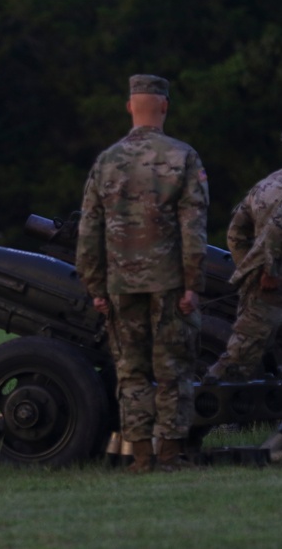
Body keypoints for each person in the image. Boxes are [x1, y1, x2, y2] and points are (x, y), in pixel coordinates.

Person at [76, 74, 209, 473]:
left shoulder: (107, 161)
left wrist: (95, 285)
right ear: (164, 107)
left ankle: (141, 458)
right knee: (173, 370)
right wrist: (192, 284)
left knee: (131, 371)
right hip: (170, 283)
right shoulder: (183, 157)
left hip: (121, 284)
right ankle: (169, 456)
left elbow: (89, 231)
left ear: (129, 107)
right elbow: (194, 227)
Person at [207, 122, 282, 447]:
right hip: (272, 289)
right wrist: (267, 272)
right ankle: (186, 424)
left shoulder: (266, 185)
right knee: (238, 361)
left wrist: (247, 265)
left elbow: (235, 231)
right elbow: (280, 230)